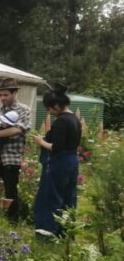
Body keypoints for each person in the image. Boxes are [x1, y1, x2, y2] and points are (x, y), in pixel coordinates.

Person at [32, 84, 81, 237]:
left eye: (50, 108)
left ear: (58, 106)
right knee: (68, 196)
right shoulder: (74, 119)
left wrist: (40, 141)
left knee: (51, 197)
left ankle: (47, 232)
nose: (50, 112)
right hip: (72, 161)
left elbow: (56, 147)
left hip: (60, 162)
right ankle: (65, 232)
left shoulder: (61, 121)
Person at [0, 78, 32, 220]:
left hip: (11, 156)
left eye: (6, 95)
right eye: (0, 95)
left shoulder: (24, 110)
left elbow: (19, 129)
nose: (2, 98)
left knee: (11, 190)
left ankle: (12, 219)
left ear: (14, 93)